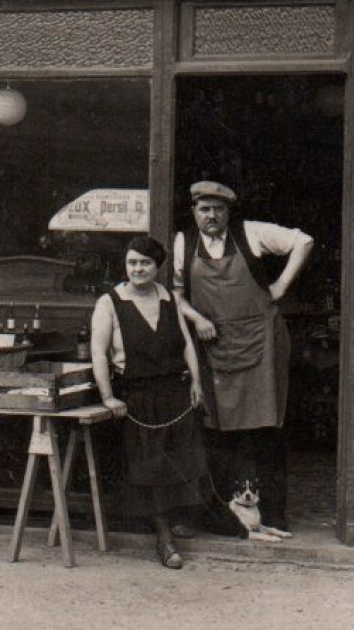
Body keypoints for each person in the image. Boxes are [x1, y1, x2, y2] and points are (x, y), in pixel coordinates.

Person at [173, 180, 313, 533]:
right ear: (194, 212)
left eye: (218, 209)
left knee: (267, 431)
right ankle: (224, 519)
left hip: (261, 345)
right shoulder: (182, 243)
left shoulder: (251, 233)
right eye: (204, 209)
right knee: (218, 433)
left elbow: (303, 240)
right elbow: (174, 294)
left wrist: (280, 286)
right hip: (214, 347)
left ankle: (274, 516)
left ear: (228, 211)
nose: (212, 216)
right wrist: (197, 318)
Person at [90, 235, 211, 569]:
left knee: (180, 462)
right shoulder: (110, 302)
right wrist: (108, 396)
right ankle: (163, 539)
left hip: (175, 394)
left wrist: (196, 382)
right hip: (137, 397)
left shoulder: (170, 298)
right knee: (150, 469)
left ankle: (174, 523)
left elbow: (188, 344)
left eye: (144, 263)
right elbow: (98, 353)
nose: (137, 269)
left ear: (158, 267)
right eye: (131, 263)